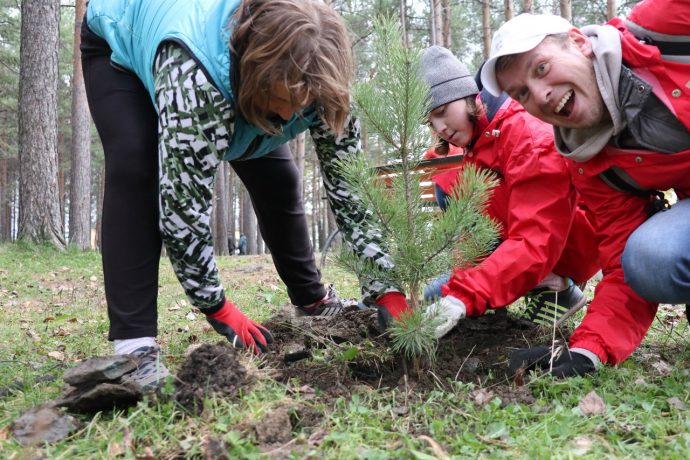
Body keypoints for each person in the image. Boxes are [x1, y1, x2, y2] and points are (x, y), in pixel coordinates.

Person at [81, 0, 410, 390]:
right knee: (137, 166)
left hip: (235, 77)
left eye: (302, 105)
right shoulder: (198, 79)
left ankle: (312, 300)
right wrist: (216, 305)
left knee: (279, 178)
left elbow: (351, 188)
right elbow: (184, 209)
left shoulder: (322, 78)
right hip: (122, 37)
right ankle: (134, 346)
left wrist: (384, 287)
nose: (291, 117)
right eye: (284, 101)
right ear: (259, 73)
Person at [479, 0, 690, 377]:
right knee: (650, 259)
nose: (540, 94)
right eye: (522, 93)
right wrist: (588, 350)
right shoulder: (589, 160)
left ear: (579, 42)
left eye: (541, 68)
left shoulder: (664, 27)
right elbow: (622, 264)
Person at [419, 46, 600, 337]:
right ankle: (537, 285)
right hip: (531, 240)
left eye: (442, 112)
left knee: (449, 292)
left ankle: (558, 287)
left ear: (467, 95)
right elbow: (476, 232)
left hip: (569, 241)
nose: (440, 127)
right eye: (431, 122)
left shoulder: (524, 135)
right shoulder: (478, 142)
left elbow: (534, 238)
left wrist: (464, 296)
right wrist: (458, 286)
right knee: (433, 293)